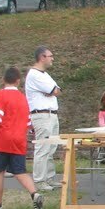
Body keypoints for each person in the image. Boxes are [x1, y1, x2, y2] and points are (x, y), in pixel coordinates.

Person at [0, 66, 43, 209]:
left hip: (2, 139)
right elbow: (28, 123)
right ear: (18, 81)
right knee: (20, 171)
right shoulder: (23, 99)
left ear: (3, 79)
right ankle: (35, 194)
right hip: (19, 139)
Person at [25, 45, 62, 192]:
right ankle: (40, 180)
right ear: (42, 57)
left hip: (52, 114)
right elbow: (54, 90)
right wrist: (52, 91)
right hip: (41, 115)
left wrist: (53, 91)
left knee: (51, 147)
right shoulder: (34, 74)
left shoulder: (45, 74)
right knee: (43, 147)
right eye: (50, 56)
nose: (52, 58)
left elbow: (58, 90)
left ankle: (49, 178)